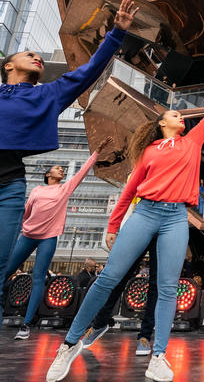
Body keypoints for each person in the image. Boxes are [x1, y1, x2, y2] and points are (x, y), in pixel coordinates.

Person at [45, 69, 204, 382]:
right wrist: (113, 225)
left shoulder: (192, 142)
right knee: (108, 278)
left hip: (176, 217)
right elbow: (130, 190)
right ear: (163, 123)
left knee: (167, 288)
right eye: (176, 114)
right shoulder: (149, 151)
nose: (182, 118)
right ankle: (68, 345)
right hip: (145, 213)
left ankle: (158, 355)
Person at [0, 0, 138, 312]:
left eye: (38, 55)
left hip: (9, 186)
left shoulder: (46, 95)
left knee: (1, 268)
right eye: (28, 54)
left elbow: (88, 72)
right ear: (8, 66)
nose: (37, 57)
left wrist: (116, 33)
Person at [1, 137, 111, 340]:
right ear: (47, 174)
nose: (62, 170)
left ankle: (26, 325)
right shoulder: (37, 190)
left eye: (63, 169)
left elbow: (82, 172)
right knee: (5, 272)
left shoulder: (64, 189)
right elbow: (24, 213)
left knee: (38, 278)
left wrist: (97, 152)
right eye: (58, 168)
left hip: (48, 238)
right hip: (27, 236)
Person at [81, 236, 158, 357]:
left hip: (165, 226)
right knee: (121, 275)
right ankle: (99, 323)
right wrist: (113, 225)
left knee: (155, 284)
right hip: (144, 222)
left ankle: (145, 336)